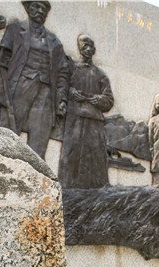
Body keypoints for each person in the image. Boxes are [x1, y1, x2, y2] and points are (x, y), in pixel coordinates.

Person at [0, 1, 69, 159]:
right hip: (19, 87)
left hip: (46, 94)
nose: (40, 11)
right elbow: (1, 58)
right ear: (28, 8)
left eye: (44, 9)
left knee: (40, 138)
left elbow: (63, 71)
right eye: (36, 6)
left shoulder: (54, 41)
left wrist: (62, 98)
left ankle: (34, 171)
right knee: (8, 133)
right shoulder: (15, 29)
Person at [58, 34, 114, 189]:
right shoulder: (72, 69)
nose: (88, 49)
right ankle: (67, 191)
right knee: (71, 157)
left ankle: (97, 193)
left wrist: (98, 99)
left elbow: (109, 100)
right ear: (79, 48)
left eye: (91, 47)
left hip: (94, 122)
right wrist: (70, 92)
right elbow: (61, 85)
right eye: (85, 46)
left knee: (95, 160)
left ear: (94, 50)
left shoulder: (100, 75)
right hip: (74, 120)